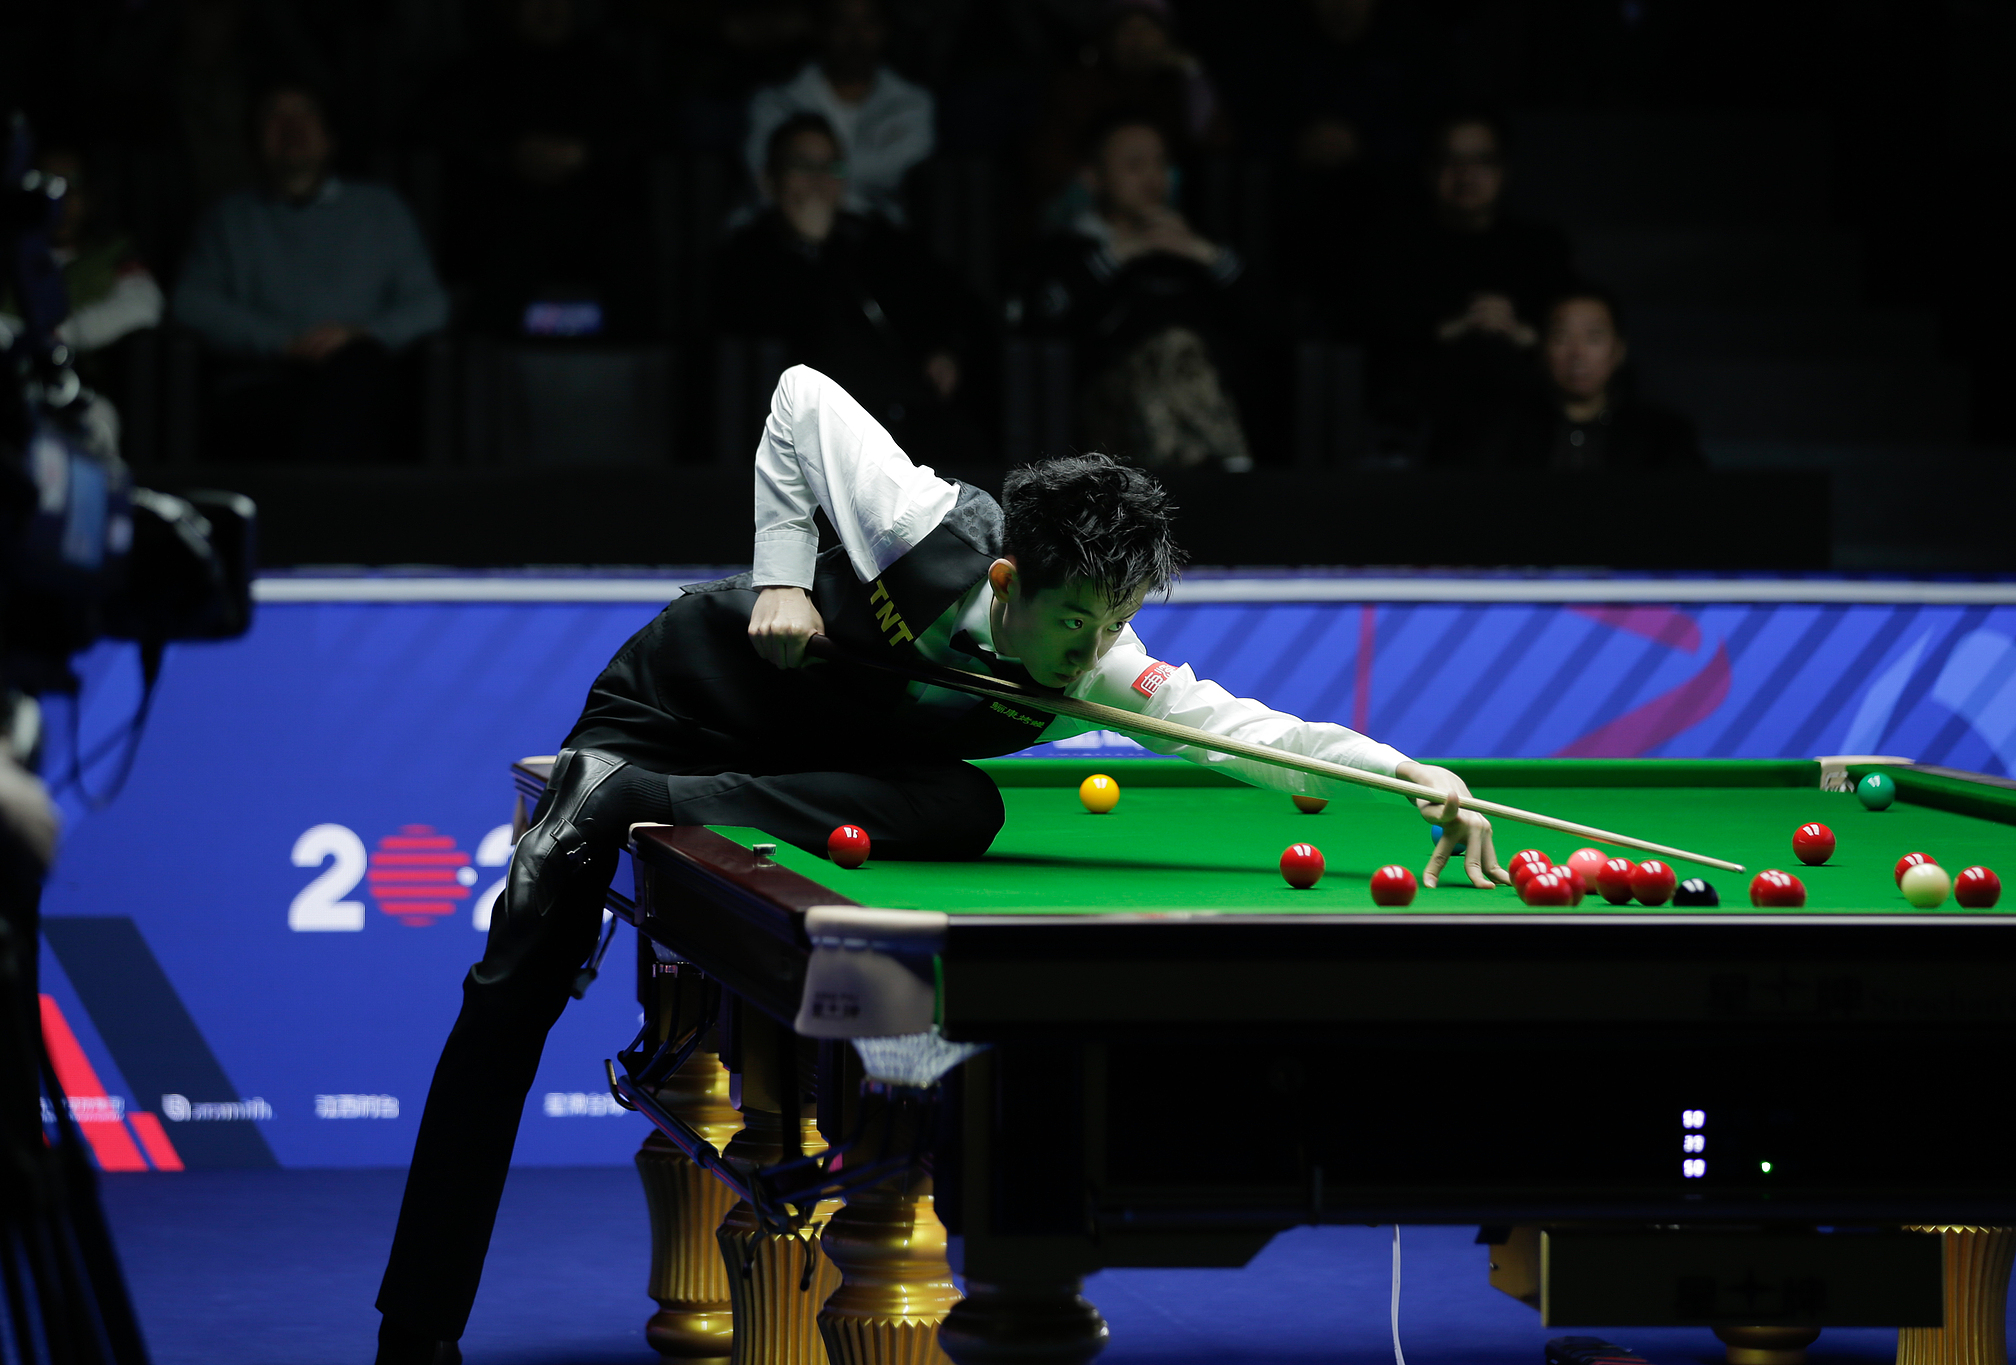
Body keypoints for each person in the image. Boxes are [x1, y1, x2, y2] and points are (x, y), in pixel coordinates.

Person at [372, 364, 1508, 1364]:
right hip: (681, 707)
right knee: (510, 995)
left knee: (964, 806)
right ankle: (415, 1329)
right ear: (1006, 580)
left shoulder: (1101, 662)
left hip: (780, 774)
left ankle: (628, 803)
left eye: (1111, 625)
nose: (1091, 653)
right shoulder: (922, 524)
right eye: (1073, 622)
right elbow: (800, 397)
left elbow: (1250, 734)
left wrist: (1408, 776)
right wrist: (782, 576)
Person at [172, 83, 448, 463]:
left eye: (305, 113)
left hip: (364, 379)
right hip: (266, 382)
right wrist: (285, 342)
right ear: (254, 142)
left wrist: (360, 336)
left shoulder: (381, 209)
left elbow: (430, 304)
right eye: (275, 116)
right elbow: (191, 303)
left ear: (330, 138)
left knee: (358, 371)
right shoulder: (229, 217)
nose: (292, 127)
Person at [714, 113, 991, 459]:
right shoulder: (747, 252)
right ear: (769, 179)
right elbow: (773, 326)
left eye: (831, 167)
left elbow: (953, 300)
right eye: (803, 166)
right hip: (812, 428)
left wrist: (944, 348)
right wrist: (811, 249)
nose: (819, 181)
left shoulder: (871, 238)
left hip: (900, 413)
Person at [1023, 114, 1256, 469]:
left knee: (1181, 352)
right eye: (1134, 165)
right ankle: (1233, 467)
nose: (1152, 176)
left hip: (1192, 405)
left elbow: (1265, 320)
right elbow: (1044, 318)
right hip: (1109, 415)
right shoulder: (1066, 249)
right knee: (1170, 350)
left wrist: (1203, 253)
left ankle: (1197, 477)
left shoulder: (1194, 248)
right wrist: (1121, 253)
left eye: (1161, 163)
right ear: (1093, 177)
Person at [1353, 112, 1571, 462]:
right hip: (1419, 401)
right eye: (1451, 160)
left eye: (1482, 161)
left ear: (1504, 170)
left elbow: (1572, 317)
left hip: (1525, 397)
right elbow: (1367, 319)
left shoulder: (1541, 247)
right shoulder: (1393, 243)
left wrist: (1523, 333)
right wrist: (1451, 328)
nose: (1466, 174)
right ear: (1429, 170)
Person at [432, 0, 641, 335]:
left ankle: (633, 360)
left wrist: (584, 154)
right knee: (508, 251)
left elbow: (639, 133)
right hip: (505, 216)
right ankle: (481, 360)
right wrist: (509, 155)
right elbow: (444, 132)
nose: (549, 8)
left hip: (592, 216)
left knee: (627, 246)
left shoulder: (605, 70)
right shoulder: (477, 70)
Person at [1030, 0, 1229, 221]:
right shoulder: (1078, 86)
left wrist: (1192, 73)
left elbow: (1216, 140)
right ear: (1108, 39)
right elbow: (1050, 161)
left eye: (1147, 29)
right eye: (1126, 30)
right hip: (1091, 207)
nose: (1138, 41)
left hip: (1163, 212)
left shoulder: (1174, 86)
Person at [744, 0, 935, 224]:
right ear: (821, 29)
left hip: (874, 230)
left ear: (885, 29)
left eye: (867, 22)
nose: (856, 36)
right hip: (782, 225)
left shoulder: (911, 104)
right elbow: (762, 175)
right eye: (842, 23)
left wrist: (807, 170)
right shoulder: (776, 101)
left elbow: (902, 174)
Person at [1503, 286, 1702, 471]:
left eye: (1594, 337)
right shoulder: (1509, 430)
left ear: (1619, 350)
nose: (1578, 354)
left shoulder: (1662, 436)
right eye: (1561, 337)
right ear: (1543, 349)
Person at [36, 147, 164, 364]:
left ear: (91, 197)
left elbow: (144, 307)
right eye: (48, 185)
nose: (61, 200)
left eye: (72, 186)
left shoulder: (113, 256)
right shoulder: (4, 257)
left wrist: (56, 336)